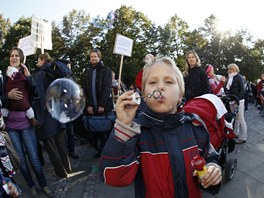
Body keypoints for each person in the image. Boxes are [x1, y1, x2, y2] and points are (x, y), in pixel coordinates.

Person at [100, 57, 222, 197]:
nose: (160, 87)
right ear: (144, 95)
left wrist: (213, 169)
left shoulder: (195, 126)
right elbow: (114, 177)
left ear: (180, 94)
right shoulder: (136, 131)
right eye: (152, 82)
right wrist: (124, 127)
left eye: (169, 81)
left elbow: (209, 157)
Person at [0, 48, 52, 197]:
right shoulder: (3, 76)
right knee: (21, 159)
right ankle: (31, 186)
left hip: (26, 123)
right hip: (10, 125)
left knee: (34, 157)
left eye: (17, 55)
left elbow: (36, 94)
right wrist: (7, 96)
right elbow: (0, 97)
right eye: (11, 55)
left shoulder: (26, 73)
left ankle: (43, 184)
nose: (13, 57)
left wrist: (29, 78)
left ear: (21, 58)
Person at [33, 52, 72, 178]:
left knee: (51, 146)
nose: (37, 63)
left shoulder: (40, 74)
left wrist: (38, 118)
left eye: (38, 60)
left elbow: (39, 96)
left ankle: (61, 173)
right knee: (61, 144)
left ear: (43, 60)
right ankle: (68, 168)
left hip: (47, 115)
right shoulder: (56, 71)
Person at [82, 49, 114, 158]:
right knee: (94, 132)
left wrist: (102, 105)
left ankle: (107, 153)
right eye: (91, 57)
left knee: (105, 131)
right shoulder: (87, 72)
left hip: (103, 108)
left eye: (95, 56)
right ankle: (100, 151)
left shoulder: (106, 71)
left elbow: (107, 88)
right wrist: (88, 105)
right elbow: (84, 91)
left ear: (99, 57)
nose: (93, 58)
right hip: (92, 108)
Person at [224, 63, 247, 144]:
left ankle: (243, 137)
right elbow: (226, 88)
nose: (230, 70)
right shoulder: (229, 77)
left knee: (240, 119)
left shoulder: (239, 77)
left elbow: (242, 90)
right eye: (229, 69)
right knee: (236, 119)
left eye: (232, 69)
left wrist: (237, 100)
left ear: (235, 69)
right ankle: (235, 133)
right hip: (231, 100)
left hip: (238, 100)